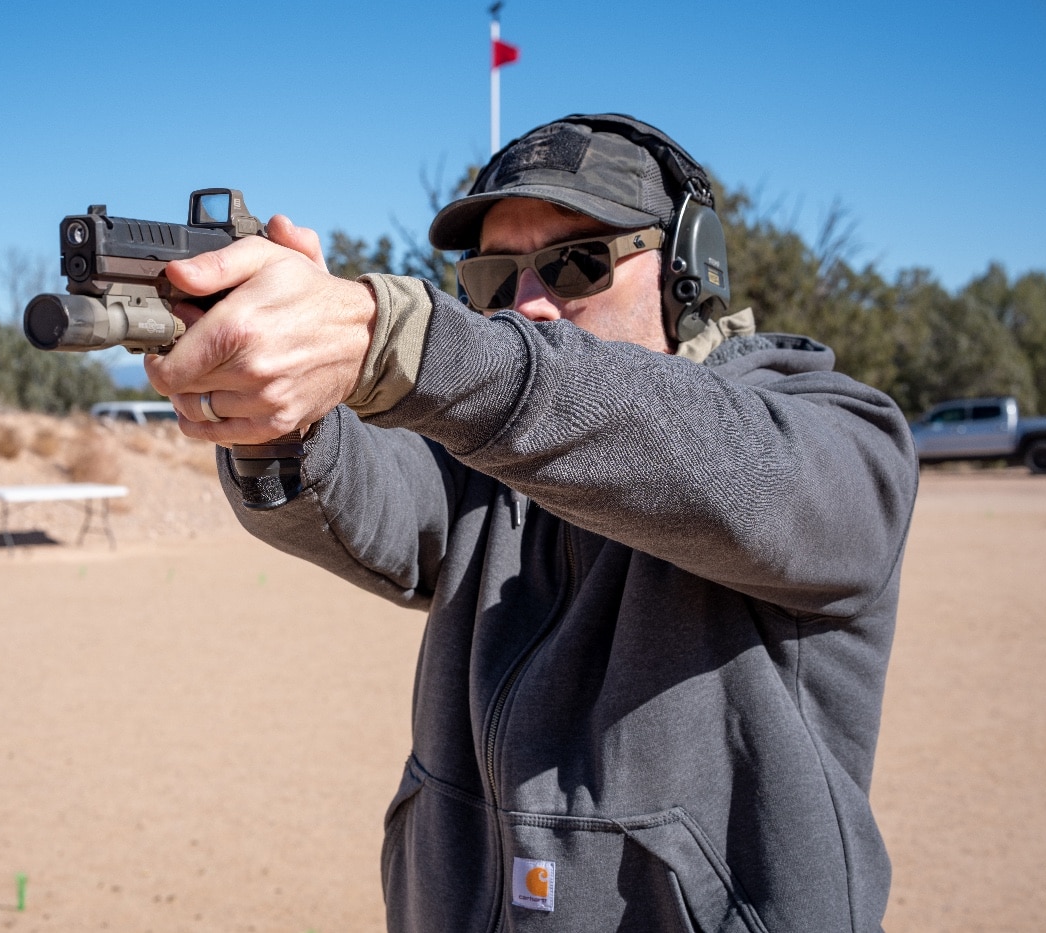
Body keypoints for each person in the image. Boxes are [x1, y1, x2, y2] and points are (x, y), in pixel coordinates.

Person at [145, 113, 918, 932]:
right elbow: (372, 496)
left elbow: (717, 464)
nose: (528, 307)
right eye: (492, 280)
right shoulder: (486, 458)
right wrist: (278, 422)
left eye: (578, 264)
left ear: (689, 274)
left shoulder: (836, 436)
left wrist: (395, 338)